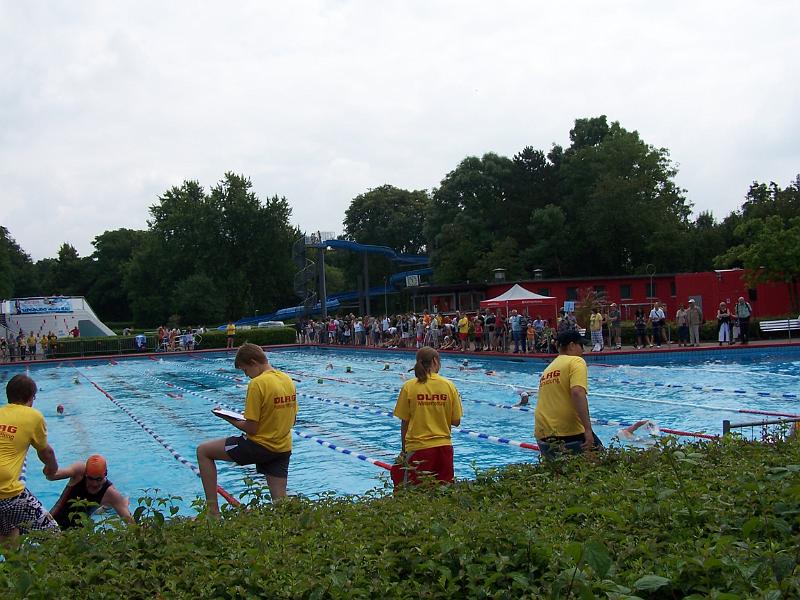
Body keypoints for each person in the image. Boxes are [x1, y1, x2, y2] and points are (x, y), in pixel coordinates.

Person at [196, 343, 297, 517]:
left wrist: (226, 416)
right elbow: (292, 419)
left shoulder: (258, 383)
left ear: (253, 363)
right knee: (281, 504)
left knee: (203, 451)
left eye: (245, 370)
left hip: (259, 446)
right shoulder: (287, 379)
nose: (246, 375)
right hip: (282, 448)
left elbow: (252, 428)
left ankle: (213, 513)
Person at [0, 374, 60, 543]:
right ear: (31, 397)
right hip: (8, 493)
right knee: (53, 535)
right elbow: (46, 452)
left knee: (8, 536)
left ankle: (12, 560)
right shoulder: (33, 416)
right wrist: (52, 469)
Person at [392, 347, 463, 485]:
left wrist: (404, 450)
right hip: (444, 448)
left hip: (418, 449)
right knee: (444, 491)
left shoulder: (409, 386)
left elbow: (405, 422)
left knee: (416, 492)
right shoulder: (449, 386)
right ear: (435, 361)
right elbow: (456, 421)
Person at [534, 330, 602, 459]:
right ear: (571, 345)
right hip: (566, 431)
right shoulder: (576, 361)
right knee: (602, 462)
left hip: (542, 432)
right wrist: (588, 429)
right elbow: (577, 392)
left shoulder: (548, 369)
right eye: (581, 346)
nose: (583, 350)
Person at [48, 455, 133, 529]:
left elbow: (130, 523)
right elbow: (52, 476)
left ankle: (120, 503)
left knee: (116, 505)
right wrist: (49, 466)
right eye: (90, 478)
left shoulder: (110, 493)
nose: (94, 483)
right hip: (51, 524)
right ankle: (114, 505)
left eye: (99, 479)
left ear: (105, 474)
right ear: (85, 474)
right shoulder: (79, 472)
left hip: (77, 533)